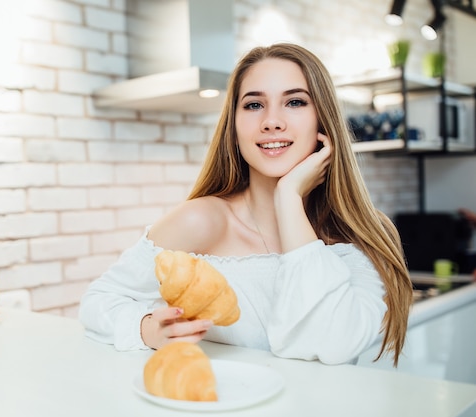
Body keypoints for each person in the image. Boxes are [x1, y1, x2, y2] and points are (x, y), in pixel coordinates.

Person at [79, 43, 413, 366]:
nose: (271, 121)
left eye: (295, 102)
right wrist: (148, 328)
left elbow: (328, 345)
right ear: (234, 127)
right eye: (253, 105)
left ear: (323, 121)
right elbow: (98, 301)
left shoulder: (364, 236)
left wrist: (288, 198)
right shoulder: (203, 220)